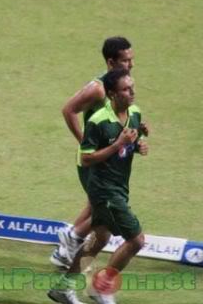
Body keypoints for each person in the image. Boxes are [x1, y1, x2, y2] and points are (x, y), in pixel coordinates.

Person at [48, 68, 149, 304]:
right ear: (113, 94)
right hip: (104, 191)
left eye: (132, 86)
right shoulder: (98, 121)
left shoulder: (135, 113)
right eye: (126, 89)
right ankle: (102, 288)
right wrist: (118, 145)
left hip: (120, 188)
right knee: (136, 241)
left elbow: (128, 141)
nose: (132, 91)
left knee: (100, 239)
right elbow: (86, 159)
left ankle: (65, 287)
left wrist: (137, 145)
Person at [51, 36, 141, 270]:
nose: (130, 65)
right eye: (125, 61)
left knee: (96, 206)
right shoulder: (98, 89)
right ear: (111, 62)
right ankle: (68, 246)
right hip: (94, 159)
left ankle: (68, 246)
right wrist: (84, 142)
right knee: (102, 209)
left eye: (132, 60)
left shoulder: (118, 84)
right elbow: (68, 110)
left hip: (108, 156)